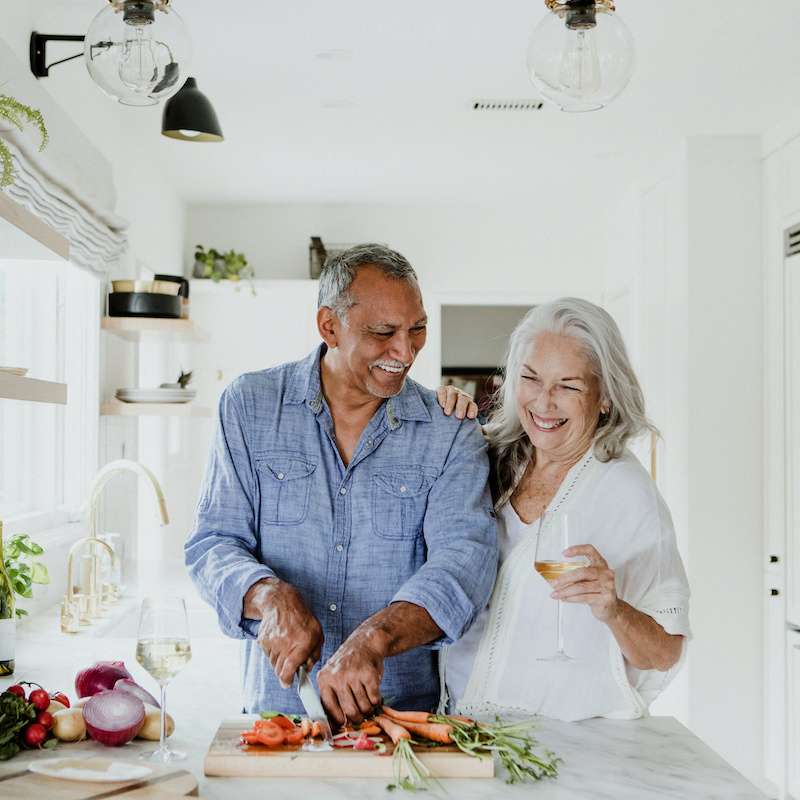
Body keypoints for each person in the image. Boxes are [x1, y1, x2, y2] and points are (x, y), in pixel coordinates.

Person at [185, 243, 498, 722]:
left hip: (401, 722)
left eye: (417, 330)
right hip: (278, 717)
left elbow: (464, 564)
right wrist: (269, 596)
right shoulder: (249, 406)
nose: (405, 351)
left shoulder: (450, 430)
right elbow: (213, 543)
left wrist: (375, 639)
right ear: (329, 326)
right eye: (382, 332)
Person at [440, 297, 691, 721]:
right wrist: (439, 416)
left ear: (605, 396)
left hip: (563, 744)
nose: (543, 402)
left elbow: (664, 652)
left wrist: (614, 609)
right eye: (531, 379)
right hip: (459, 725)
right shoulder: (486, 457)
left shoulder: (627, 494)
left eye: (568, 386)